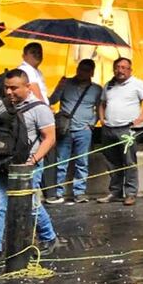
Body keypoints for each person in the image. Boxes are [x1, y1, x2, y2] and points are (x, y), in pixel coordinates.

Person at [0, 70, 58, 262]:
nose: (9, 92)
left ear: (27, 87)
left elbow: (49, 138)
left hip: (26, 166)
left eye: (14, 88)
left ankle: (49, 238)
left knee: (31, 206)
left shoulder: (40, 109)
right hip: (0, 163)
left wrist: (33, 161)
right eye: (7, 88)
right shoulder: (2, 104)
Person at [97, 58, 143, 206]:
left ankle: (130, 194)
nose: (120, 70)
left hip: (127, 129)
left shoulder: (138, 84)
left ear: (130, 70)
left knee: (129, 162)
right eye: (117, 67)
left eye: (123, 67)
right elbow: (102, 103)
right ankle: (115, 192)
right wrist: (102, 119)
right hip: (109, 129)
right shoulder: (108, 85)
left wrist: (141, 119)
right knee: (112, 162)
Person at [47, 59, 102, 204]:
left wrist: (91, 124)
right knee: (61, 161)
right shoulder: (66, 84)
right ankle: (58, 192)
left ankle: (79, 192)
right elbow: (52, 101)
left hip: (84, 130)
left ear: (91, 72)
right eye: (80, 68)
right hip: (65, 129)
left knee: (82, 162)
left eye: (85, 70)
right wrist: (59, 87)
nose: (81, 72)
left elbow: (99, 108)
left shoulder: (97, 89)